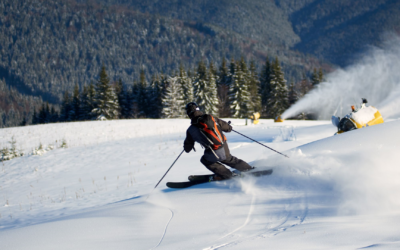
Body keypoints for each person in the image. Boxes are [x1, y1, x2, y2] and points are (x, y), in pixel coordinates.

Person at [183, 102, 253, 180]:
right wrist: (228, 127)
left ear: (188, 114)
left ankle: (227, 175)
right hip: (223, 146)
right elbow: (228, 128)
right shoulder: (211, 118)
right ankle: (248, 169)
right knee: (229, 159)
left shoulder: (190, 130)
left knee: (205, 160)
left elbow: (187, 149)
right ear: (198, 109)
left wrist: (188, 144)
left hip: (212, 152)